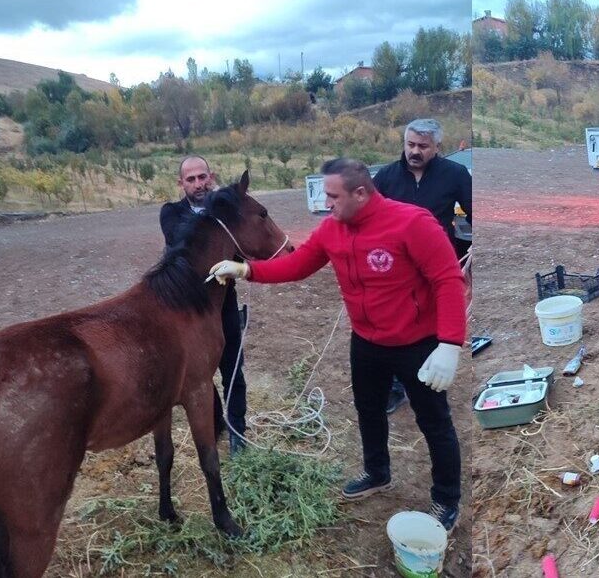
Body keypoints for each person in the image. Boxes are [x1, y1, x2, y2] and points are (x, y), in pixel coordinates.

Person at [208, 158, 467, 531]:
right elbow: (297, 266)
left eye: (332, 196)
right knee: (368, 410)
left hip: (417, 343)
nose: (326, 203)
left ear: (360, 193)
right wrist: (248, 270)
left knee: (434, 422)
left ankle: (446, 499)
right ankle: (377, 472)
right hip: (366, 341)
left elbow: (447, 280)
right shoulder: (333, 229)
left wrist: (449, 344)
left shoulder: (413, 222)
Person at [373, 118, 473, 414]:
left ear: (437, 147)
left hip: (438, 266)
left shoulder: (455, 174)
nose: (415, 151)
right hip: (395, 268)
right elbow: (369, 218)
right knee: (392, 324)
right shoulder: (385, 178)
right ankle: (394, 386)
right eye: (410, 144)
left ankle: (426, 381)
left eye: (423, 146)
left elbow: (474, 209)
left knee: (430, 324)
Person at [159, 156, 249, 455]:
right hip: (189, 310)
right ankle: (217, 421)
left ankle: (238, 429)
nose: (198, 184)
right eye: (191, 179)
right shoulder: (171, 213)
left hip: (224, 304)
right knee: (199, 373)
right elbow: (180, 244)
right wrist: (220, 206)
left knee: (233, 367)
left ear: (211, 176)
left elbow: (242, 252)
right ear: (180, 183)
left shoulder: (227, 210)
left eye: (202, 177)